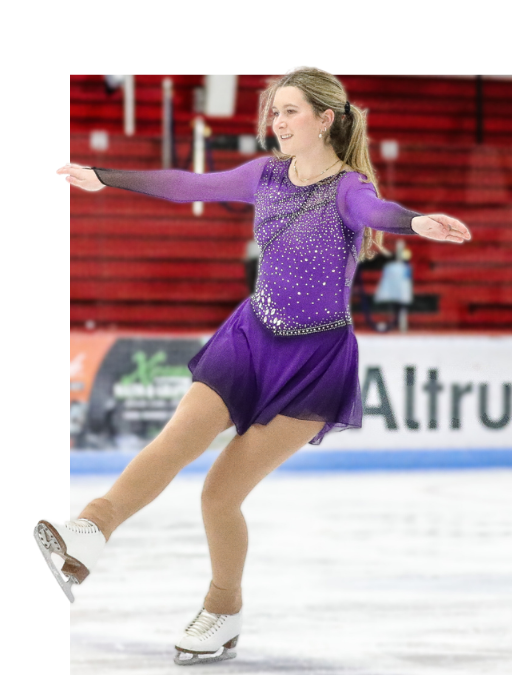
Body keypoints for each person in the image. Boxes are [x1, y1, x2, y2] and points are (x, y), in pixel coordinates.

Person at [47, 67, 472, 667]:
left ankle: (223, 610)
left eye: (291, 111)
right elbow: (186, 183)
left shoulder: (348, 188)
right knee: (175, 441)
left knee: (220, 494)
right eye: (275, 111)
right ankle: (89, 530)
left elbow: (376, 209)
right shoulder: (265, 175)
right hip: (249, 337)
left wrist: (414, 222)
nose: (277, 121)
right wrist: (105, 177)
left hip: (314, 362)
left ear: (326, 119)